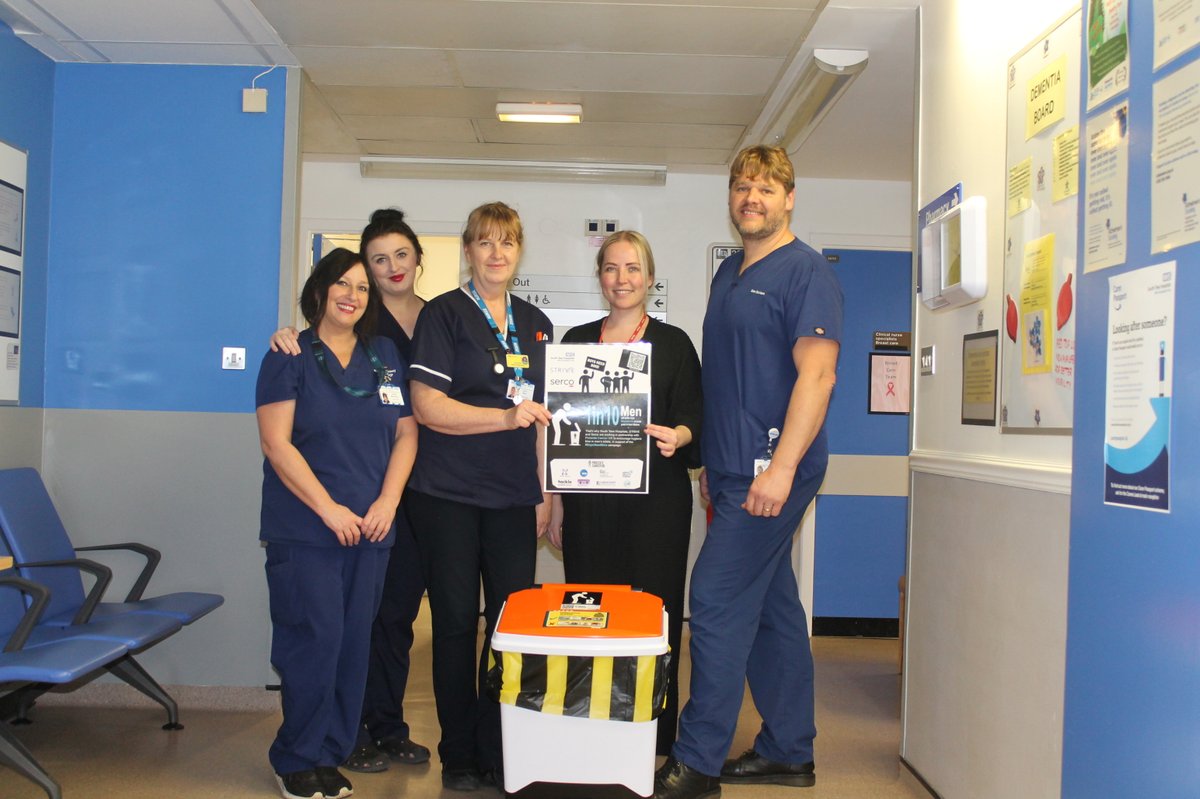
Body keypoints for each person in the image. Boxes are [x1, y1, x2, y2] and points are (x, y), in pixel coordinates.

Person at [654, 146, 843, 799]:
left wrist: (781, 467)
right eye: (740, 187)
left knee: (711, 598)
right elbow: (726, 376)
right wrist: (712, 461)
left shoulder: (805, 272)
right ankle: (789, 748)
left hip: (775, 466)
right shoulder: (729, 272)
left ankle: (699, 758)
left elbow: (817, 375)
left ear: (789, 197)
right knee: (772, 609)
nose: (750, 198)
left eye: (765, 187)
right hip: (735, 469)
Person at [270, 209, 432, 773]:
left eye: (362, 287)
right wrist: (331, 509)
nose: (355, 293)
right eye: (345, 282)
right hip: (310, 528)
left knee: (355, 645)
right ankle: (298, 759)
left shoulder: (383, 357)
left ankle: (332, 753)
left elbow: (406, 431)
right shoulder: (287, 354)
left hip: (374, 524)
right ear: (319, 290)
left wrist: (385, 502)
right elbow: (278, 445)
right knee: (313, 644)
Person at [406, 201, 553, 792]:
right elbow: (428, 407)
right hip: (447, 496)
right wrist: (503, 418)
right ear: (467, 250)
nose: (497, 253)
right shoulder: (443, 315)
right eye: (485, 243)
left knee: (511, 628)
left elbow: (543, 418)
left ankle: (502, 747)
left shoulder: (536, 322)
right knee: (456, 623)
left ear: (519, 253)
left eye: (508, 243)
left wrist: (547, 495)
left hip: (514, 498)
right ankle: (461, 753)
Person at [546, 230, 702, 755]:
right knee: (591, 612)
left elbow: (693, 421)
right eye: (612, 269)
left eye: (633, 269)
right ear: (600, 278)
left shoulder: (674, 343)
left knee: (653, 615)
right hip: (590, 505)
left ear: (650, 279)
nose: (622, 279)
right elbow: (559, 434)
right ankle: (593, 724)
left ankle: (653, 735)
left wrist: (678, 436)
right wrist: (558, 502)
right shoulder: (575, 345)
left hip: (656, 504)